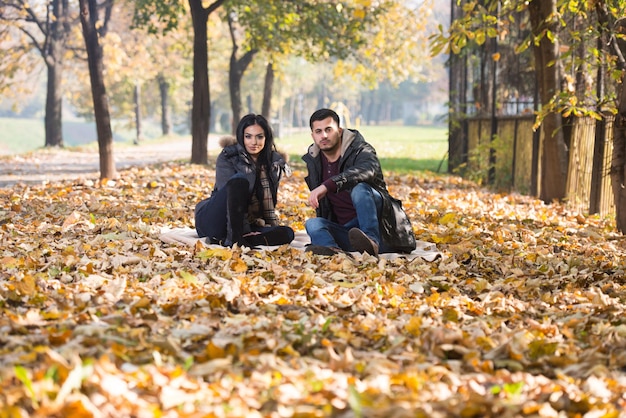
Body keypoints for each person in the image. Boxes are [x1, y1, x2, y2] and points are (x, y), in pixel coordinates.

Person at [302, 108, 416, 256]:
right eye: (318, 131)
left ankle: (371, 242)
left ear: (340, 131)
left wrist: (328, 185)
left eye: (328, 129)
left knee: (360, 189)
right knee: (313, 223)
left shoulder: (361, 149)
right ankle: (332, 250)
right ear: (313, 135)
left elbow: (368, 169)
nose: (324, 135)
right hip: (349, 234)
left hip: (381, 230)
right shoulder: (314, 160)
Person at [195, 113, 294, 248]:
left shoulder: (274, 163)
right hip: (216, 220)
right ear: (242, 137)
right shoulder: (228, 156)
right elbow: (230, 198)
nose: (254, 142)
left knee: (287, 233)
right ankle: (234, 240)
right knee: (239, 181)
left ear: (266, 138)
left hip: (249, 223)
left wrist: (264, 228)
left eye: (259, 137)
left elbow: (269, 205)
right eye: (248, 136)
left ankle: (247, 240)